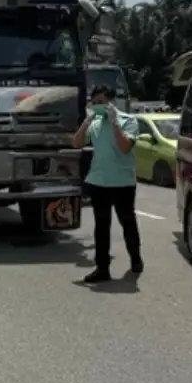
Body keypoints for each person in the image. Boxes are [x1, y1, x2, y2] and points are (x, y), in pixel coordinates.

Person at [72, 85, 143, 282]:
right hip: (99, 181)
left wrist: (114, 123)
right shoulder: (94, 124)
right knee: (101, 226)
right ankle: (102, 268)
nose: (98, 107)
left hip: (122, 183)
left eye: (101, 103)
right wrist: (87, 121)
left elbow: (124, 147)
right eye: (94, 104)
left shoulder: (129, 121)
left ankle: (135, 258)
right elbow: (76, 143)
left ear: (112, 102)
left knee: (127, 222)